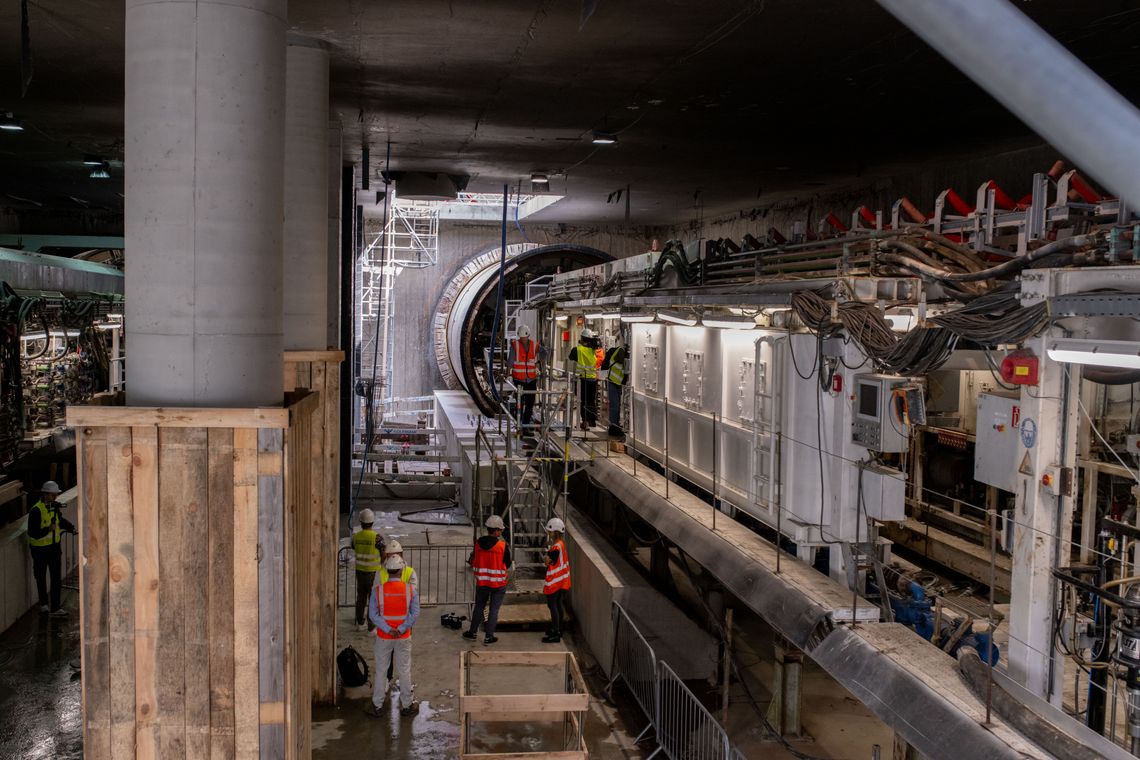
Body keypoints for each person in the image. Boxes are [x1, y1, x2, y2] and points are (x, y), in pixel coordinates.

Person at [366, 553, 420, 717]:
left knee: (381, 671)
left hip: (384, 637)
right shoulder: (410, 591)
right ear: (401, 569)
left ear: (387, 570)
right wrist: (402, 628)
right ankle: (406, 705)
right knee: (404, 670)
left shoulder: (378, 591)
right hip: (403, 637)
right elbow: (415, 613)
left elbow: (373, 615)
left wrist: (388, 629)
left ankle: (377, 705)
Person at [26, 480, 75, 616]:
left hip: (54, 549)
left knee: (55, 579)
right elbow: (33, 533)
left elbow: (60, 521)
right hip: (39, 551)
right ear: (45, 495)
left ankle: (55, 608)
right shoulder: (36, 510)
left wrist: (71, 527)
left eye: (56, 495)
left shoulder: (54, 507)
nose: (55, 498)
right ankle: (44, 605)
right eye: (53, 495)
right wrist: (48, 529)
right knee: (40, 577)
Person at [464, 514, 512, 645]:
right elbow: (507, 564)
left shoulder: (478, 543)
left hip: (483, 582)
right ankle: (488, 637)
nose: (501, 532)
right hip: (498, 584)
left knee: (479, 606)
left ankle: (472, 633)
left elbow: (475, 561)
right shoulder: (502, 546)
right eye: (501, 530)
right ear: (496, 530)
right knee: (493, 610)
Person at [351, 509, 383, 631]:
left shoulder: (356, 536)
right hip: (372, 573)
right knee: (373, 600)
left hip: (360, 572)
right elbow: (383, 553)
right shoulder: (377, 537)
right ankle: (371, 627)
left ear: (361, 522)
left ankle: (360, 623)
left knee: (361, 598)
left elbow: (353, 547)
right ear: (372, 522)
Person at [509, 324, 545, 430]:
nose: (523, 339)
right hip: (519, 379)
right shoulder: (515, 345)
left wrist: (538, 362)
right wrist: (507, 372)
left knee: (528, 403)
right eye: (522, 338)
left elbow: (545, 352)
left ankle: (524, 424)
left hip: (530, 379)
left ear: (528, 335)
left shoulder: (535, 345)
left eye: (524, 337)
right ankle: (520, 423)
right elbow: (510, 361)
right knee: (521, 402)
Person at [541, 517, 571, 643]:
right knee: (558, 605)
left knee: (552, 606)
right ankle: (558, 629)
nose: (548, 533)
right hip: (562, 582)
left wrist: (546, 557)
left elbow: (547, 561)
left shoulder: (556, 548)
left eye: (550, 531)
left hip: (555, 583)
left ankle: (556, 633)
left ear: (556, 532)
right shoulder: (561, 545)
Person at [601, 338, 629, 438]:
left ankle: (615, 425)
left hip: (615, 382)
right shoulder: (621, 354)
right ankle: (614, 427)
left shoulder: (614, 351)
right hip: (613, 382)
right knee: (615, 405)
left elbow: (604, 365)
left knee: (616, 405)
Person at [574, 329, 599, 431]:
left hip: (582, 379)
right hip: (592, 379)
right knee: (591, 401)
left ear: (582, 338)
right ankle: (591, 421)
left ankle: (584, 422)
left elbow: (571, 357)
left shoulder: (578, 349)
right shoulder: (593, 350)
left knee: (582, 401)